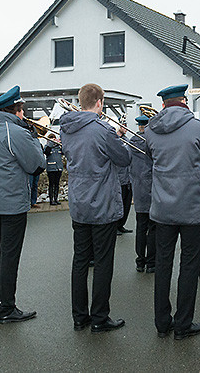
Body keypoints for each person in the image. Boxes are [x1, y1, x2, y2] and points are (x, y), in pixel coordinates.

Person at [146, 84, 200, 340]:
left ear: (164, 104)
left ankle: (161, 322)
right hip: (193, 208)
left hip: (163, 208)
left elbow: (149, 160)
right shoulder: (199, 127)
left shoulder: (150, 130)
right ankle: (183, 324)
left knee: (163, 264)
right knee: (189, 266)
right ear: (184, 101)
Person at [61, 83, 131, 333]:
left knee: (80, 260)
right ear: (100, 102)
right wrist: (119, 139)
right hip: (102, 203)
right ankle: (100, 317)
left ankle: (79, 316)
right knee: (103, 262)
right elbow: (124, 159)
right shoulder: (103, 129)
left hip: (79, 202)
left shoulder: (67, 128)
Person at [0, 85, 46, 323]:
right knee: (10, 254)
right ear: (17, 109)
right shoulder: (17, 132)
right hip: (11, 202)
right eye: (22, 109)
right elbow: (37, 166)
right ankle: (7, 307)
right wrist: (34, 139)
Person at [129, 115, 155, 273]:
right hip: (153, 186)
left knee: (140, 226)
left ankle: (140, 261)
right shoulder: (153, 140)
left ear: (139, 125)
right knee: (153, 227)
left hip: (138, 187)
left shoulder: (132, 141)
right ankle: (152, 262)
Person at [116, 128, 133, 235]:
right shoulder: (114, 140)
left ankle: (121, 225)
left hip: (128, 178)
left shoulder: (128, 140)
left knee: (126, 205)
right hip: (119, 178)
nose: (126, 128)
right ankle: (115, 226)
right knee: (118, 204)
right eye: (123, 125)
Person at [43, 136, 63, 206]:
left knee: (57, 184)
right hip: (51, 169)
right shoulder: (47, 147)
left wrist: (62, 141)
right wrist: (51, 143)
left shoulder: (59, 147)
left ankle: (56, 199)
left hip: (58, 168)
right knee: (51, 184)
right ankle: (51, 200)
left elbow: (65, 152)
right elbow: (46, 152)